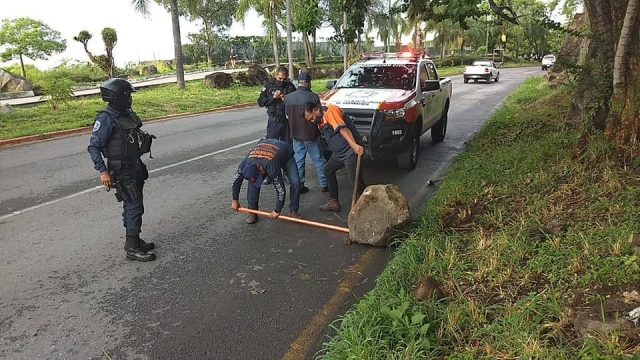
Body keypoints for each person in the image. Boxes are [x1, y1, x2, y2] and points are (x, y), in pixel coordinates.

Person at [87, 78, 156, 262]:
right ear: (117, 97)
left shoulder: (125, 113)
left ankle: (134, 239)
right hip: (121, 169)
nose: (130, 98)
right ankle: (132, 248)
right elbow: (93, 147)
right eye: (127, 95)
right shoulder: (105, 118)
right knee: (134, 205)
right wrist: (103, 171)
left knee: (133, 204)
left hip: (134, 166)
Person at [302, 102, 366, 212]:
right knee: (327, 170)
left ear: (316, 110)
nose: (312, 121)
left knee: (357, 183)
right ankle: (334, 201)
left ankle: (370, 203)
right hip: (339, 153)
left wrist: (355, 146)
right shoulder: (320, 120)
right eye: (310, 120)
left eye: (312, 118)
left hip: (350, 151)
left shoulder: (329, 111)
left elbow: (343, 129)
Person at [231, 138, 302, 224]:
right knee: (253, 184)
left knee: (295, 182)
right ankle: (252, 212)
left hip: (284, 151)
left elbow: (280, 189)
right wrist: (235, 199)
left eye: (260, 177)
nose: (260, 180)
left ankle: (293, 210)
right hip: (264, 147)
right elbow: (236, 182)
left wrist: (277, 210)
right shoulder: (244, 165)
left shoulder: (271, 167)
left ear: (260, 168)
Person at [284, 72, 328, 194]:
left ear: (299, 83)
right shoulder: (313, 97)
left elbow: (287, 116)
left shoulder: (288, 98)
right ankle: (324, 184)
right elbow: (319, 115)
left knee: (298, 161)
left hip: (296, 135)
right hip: (311, 134)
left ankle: (299, 185)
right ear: (308, 82)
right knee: (319, 160)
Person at [257, 66, 297, 144]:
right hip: (274, 121)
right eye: (280, 78)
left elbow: (296, 102)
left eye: (284, 79)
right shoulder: (268, 87)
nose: (282, 81)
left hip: (287, 122)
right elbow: (261, 102)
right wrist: (273, 97)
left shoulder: (290, 86)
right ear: (275, 76)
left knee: (288, 147)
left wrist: (286, 99)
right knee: (271, 146)